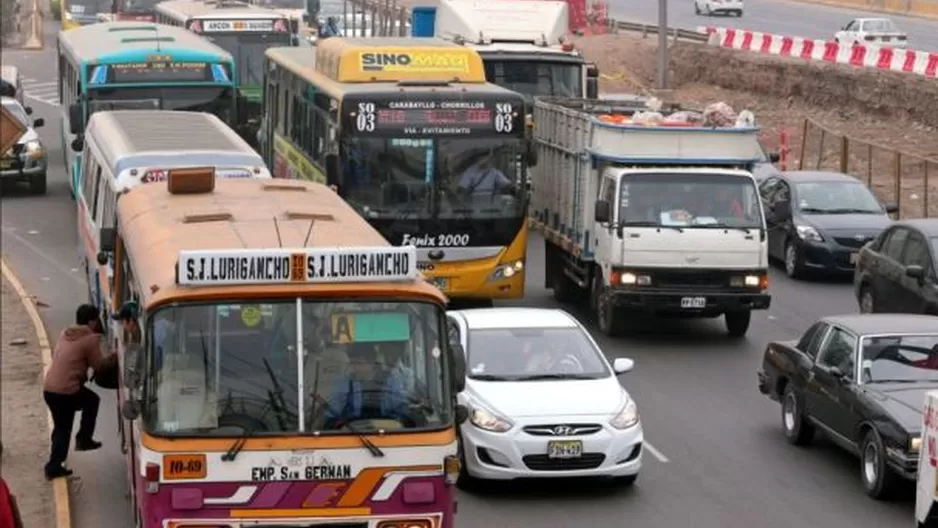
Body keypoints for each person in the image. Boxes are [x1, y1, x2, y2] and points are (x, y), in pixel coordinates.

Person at [43, 304, 117, 480]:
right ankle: (82, 441)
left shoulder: (65, 333)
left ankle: (55, 463)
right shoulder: (89, 339)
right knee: (88, 405)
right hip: (65, 391)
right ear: (91, 321)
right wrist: (115, 357)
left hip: (49, 388)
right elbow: (99, 365)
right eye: (97, 319)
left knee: (60, 427)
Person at [323, 342, 407, 429]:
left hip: (387, 431)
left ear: (371, 363)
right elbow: (332, 414)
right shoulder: (345, 383)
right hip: (353, 433)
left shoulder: (392, 380)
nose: (354, 368)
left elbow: (401, 411)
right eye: (352, 363)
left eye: (359, 363)